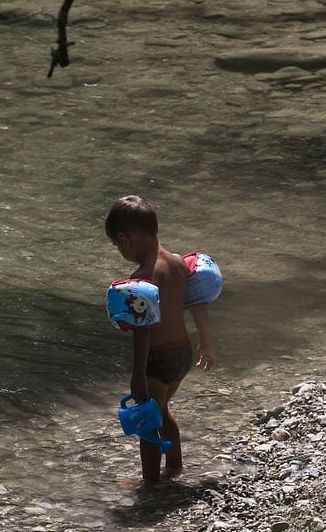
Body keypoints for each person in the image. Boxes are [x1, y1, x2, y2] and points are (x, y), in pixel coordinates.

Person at [105, 194, 217, 483]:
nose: (120, 250)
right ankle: (175, 467)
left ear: (124, 239)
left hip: (157, 360)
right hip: (182, 354)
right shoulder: (179, 263)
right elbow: (198, 302)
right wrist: (207, 342)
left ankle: (150, 484)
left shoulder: (142, 278)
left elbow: (143, 331)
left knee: (147, 424)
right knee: (163, 411)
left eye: (118, 245)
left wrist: (138, 375)